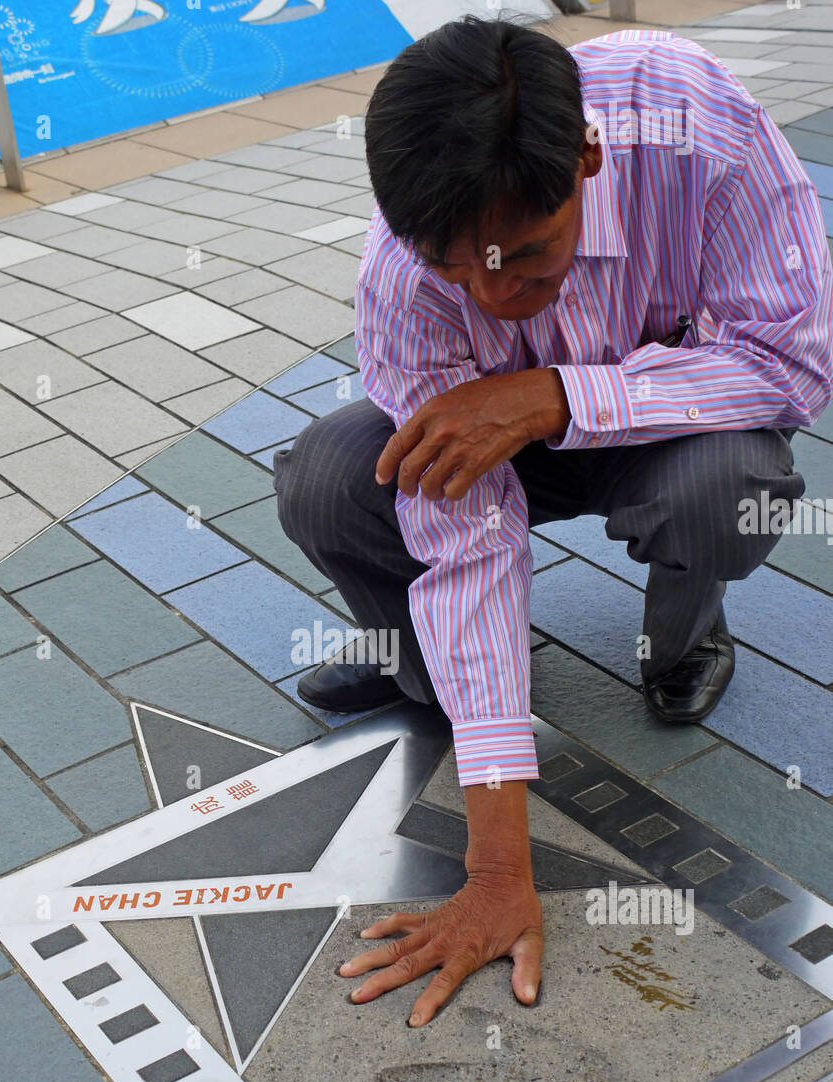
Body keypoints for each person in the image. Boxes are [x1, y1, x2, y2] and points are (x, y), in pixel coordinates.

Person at [273, 18, 833, 1027]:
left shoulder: (697, 125)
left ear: (587, 158)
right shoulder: (403, 277)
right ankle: (427, 674)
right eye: (459, 275)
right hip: (490, 436)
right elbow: (470, 539)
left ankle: (683, 633)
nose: (491, 296)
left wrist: (556, 396)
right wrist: (498, 872)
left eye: (527, 260)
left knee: (730, 479)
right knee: (326, 476)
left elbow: (793, 366)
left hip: (662, 419)